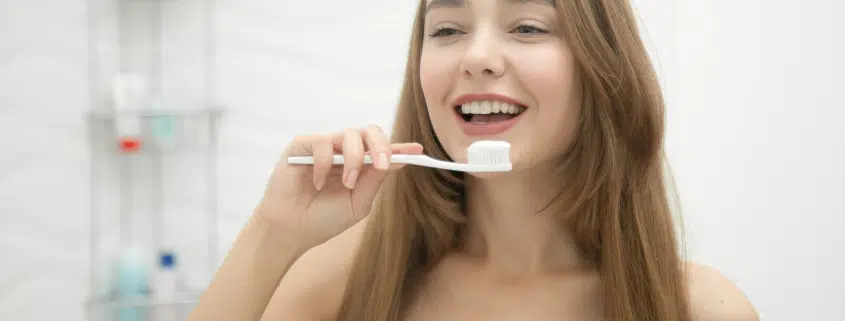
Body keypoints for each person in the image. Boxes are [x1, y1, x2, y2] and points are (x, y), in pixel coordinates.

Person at [188, 0, 759, 320]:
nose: (477, 56)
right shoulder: (341, 284)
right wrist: (274, 234)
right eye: (448, 29)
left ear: (602, 69)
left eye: (528, 27)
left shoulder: (700, 309)